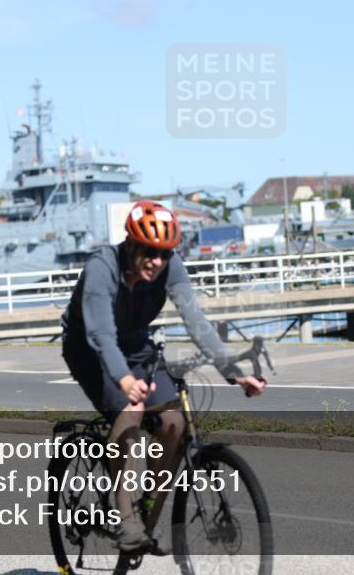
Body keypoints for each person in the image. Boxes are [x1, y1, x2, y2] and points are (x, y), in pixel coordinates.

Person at [61, 200, 266, 552]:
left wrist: (234, 373)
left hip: (135, 345)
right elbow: (100, 335)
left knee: (172, 421)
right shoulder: (101, 269)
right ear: (132, 245)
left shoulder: (169, 268)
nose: (157, 262)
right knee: (131, 409)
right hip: (89, 348)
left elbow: (197, 322)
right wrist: (125, 381)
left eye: (165, 253)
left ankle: (147, 509)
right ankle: (125, 519)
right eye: (150, 252)